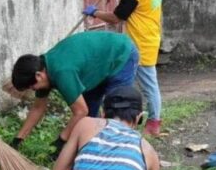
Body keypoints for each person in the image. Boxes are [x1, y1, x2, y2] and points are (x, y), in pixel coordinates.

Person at [9, 31, 139, 160]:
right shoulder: (43, 69)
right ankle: (93, 150)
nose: (34, 90)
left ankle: (121, 154)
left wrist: (61, 141)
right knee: (88, 119)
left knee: (116, 112)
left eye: (32, 87)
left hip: (120, 54)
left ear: (39, 75)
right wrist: (18, 139)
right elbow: (38, 108)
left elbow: (80, 111)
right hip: (96, 65)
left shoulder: (62, 73)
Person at [83, 0, 164, 135]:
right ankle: (144, 118)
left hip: (139, 43)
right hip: (151, 36)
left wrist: (95, 13)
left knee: (147, 85)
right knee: (144, 83)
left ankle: (153, 122)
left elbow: (117, 16)